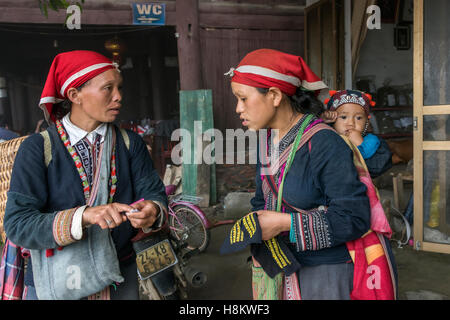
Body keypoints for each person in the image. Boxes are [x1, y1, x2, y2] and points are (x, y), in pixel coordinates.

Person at [224, 48, 397, 300]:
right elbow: (261, 200)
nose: (238, 109)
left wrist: (284, 223)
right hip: (283, 264)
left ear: (273, 95)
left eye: (242, 98)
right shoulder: (267, 140)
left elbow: (354, 218)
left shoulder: (325, 143)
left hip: (325, 273)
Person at [2, 50, 168, 300]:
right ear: (74, 95)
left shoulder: (129, 143)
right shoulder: (38, 148)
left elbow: (153, 193)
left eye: (119, 87)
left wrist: (152, 210)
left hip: (118, 275)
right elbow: (18, 225)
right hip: (56, 278)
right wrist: (84, 216)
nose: (119, 97)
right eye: (108, 88)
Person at [321, 89, 392, 178]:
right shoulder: (326, 139)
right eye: (343, 117)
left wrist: (361, 145)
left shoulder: (374, 143)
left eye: (358, 118)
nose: (351, 123)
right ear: (332, 120)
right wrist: (323, 122)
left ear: (367, 122)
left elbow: (377, 168)